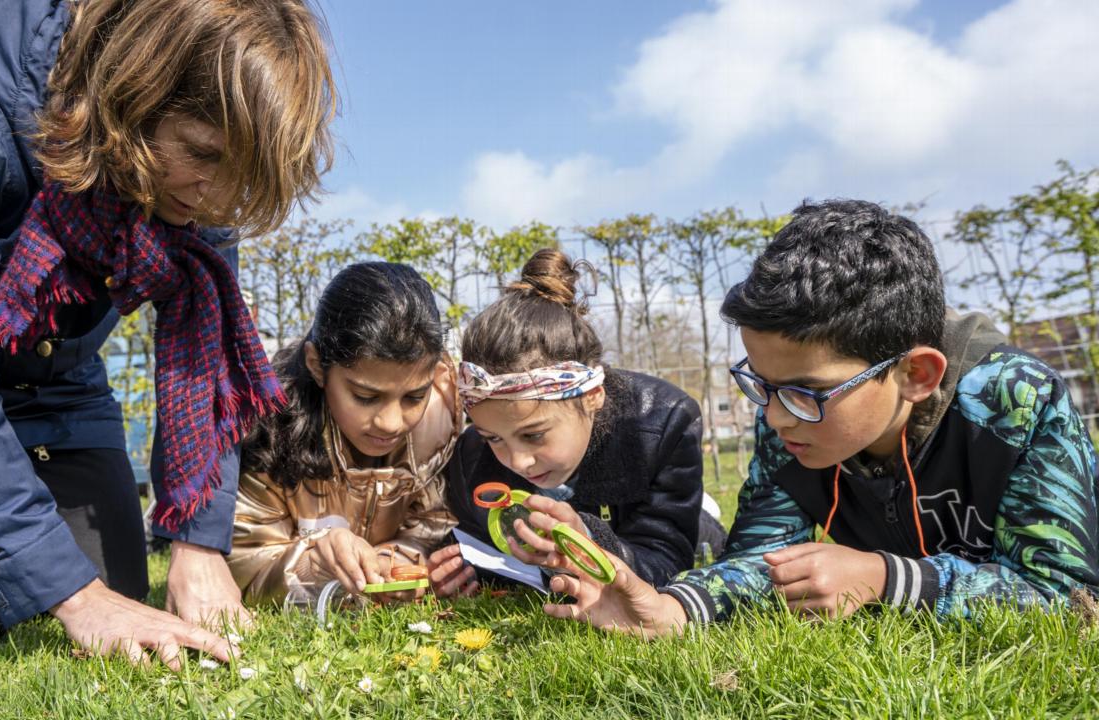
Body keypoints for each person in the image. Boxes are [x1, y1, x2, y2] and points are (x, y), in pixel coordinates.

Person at [0, 0, 335, 666]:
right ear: (135, 89)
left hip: (48, 384)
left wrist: (200, 545)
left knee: (118, 589)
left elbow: (205, 360)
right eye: (203, 153)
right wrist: (76, 597)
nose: (218, 200)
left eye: (242, 171)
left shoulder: (207, 185)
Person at [540, 200, 1099, 636]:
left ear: (916, 375)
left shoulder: (1017, 402)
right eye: (762, 384)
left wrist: (884, 578)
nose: (777, 418)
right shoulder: (789, 414)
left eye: (807, 391)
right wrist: (673, 609)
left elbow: (1070, 597)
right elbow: (762, 559)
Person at [428, 248, 724, 597]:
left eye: (534, 434)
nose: (518, 460)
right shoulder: (472, 457)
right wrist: (457, 572)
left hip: (666, 523)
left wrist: (588, 538)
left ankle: (702, 509)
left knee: (705, 543)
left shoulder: (662, 423)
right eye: (494, 438)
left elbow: (663, 558)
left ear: (592, 396)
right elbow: (473, 543)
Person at [228, 262, 462, 605]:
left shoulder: (440, 422)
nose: (391, 423)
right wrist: (314, 561)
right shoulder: (267, 429)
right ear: (315, 365)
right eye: (366, 397)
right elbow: (243, 565)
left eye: (414, 396)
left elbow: (433, 529)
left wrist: (399, 559)